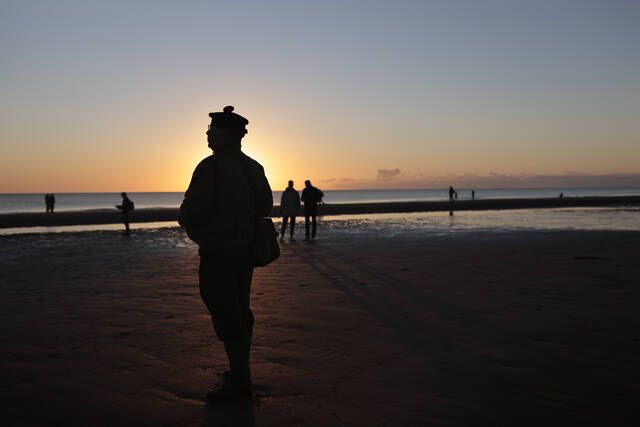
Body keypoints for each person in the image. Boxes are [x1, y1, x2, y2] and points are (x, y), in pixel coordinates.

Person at [178, 106, 273, 401]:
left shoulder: (211, 166)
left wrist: (196, 226)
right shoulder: (254, 167)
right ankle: (239, 372)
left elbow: (192, 211)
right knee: (240, 310)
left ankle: (240, 381)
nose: (207, 135)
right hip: (244, 253)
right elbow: (265, 207)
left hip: (218, 252)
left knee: (225, 312)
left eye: (211, 130)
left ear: (225, 134)